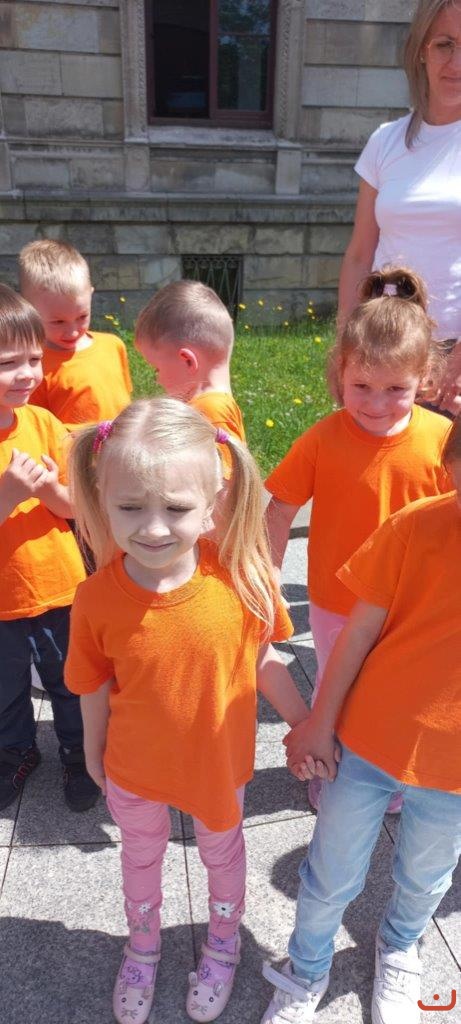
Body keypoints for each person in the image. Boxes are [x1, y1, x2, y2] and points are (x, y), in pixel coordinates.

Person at [64, 396, 310, 1024]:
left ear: (213, 503)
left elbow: (263, 659)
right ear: (101, 498)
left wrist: (305, 724)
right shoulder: (94, 598)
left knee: (222, 856)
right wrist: (92, 752)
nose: (152, 528)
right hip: (134, 767)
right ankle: (142, 947)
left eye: (175, 508)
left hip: (216, 767)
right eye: (130, 507)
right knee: (139, 857)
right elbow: (92, 684)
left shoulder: (242, 582)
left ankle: (223, 943)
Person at [261, 415, 461, 1024]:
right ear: (450, 469)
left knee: (426, 876)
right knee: (330, 871)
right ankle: (306, 967)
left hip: (453, 773)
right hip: (369, 741)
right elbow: (356, 634)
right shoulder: (416, 526)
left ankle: (400, 945)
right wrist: (319, 723)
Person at [265, 267, 452, 813]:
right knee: (338, 690)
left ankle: (390, 774)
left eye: (396, 389)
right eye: (361, 387)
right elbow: (280, 510)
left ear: (425, 379)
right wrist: (269, 580)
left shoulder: (442, 440)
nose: (375, 403)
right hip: (337, 602)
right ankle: (331, 769)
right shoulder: (323, 439)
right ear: (339, 373)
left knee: (399, 692)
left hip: (413, 607)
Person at [0, 284, 99, 813]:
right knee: (6, 689)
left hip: (60, 589)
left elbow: (75, 507)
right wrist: (9, 494)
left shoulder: (42, 423)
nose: (26, 374)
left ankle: (80, 755)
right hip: (3, 603)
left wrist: (46, 491)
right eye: (8, 363)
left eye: (34, 359)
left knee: (71, 681)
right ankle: (16, 753)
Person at [337, 0, 461, 416]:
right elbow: (359, 254)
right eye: (445, 44)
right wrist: (346, 348)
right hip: (383, 348)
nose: (456, 63)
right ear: (422, 49)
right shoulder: (385, 141)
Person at [135, 280, 245, 477]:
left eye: (157, 369)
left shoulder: (210, 411)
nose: (157, 380)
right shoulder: (209, 405)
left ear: (187, 361)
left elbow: (226, 487)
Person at [18, 239, 132, 430]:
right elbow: (34, 427)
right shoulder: (33, 365)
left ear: (91, 295)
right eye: (58, 322)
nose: (72, 331)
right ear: (28, 308)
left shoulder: (114, 346)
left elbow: (126, 402)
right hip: (70, 448)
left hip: (122, 444)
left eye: (82, 316)